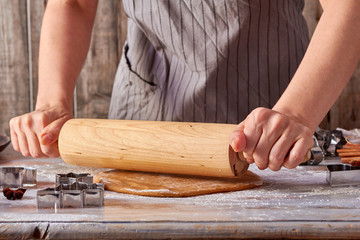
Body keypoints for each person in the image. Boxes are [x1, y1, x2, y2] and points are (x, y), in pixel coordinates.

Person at [9, 0, 360, 171]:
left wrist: (296, 112)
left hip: (270, 132)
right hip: (141, 129)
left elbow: (348, 7)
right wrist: (51, 102)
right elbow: (73, 3)